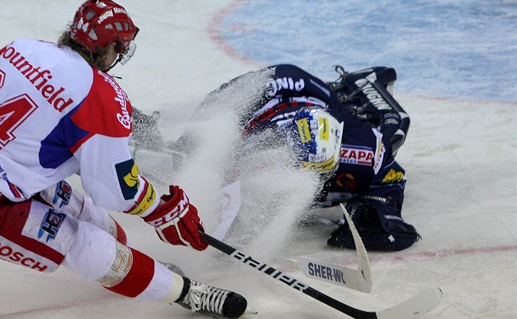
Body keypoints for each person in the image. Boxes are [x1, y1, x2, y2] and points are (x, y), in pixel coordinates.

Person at [0, 0, 247, 319]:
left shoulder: (22, 47)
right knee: (87, 244)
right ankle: (188, 294)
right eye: (120, 49)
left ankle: (140, 270)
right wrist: (163, 209)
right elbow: (117, 191)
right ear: (112, 49)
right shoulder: (99, 94)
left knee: (93, 219)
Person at [133, 64, 421, 252]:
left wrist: (375, 207)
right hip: (273, 88)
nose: (311, 180)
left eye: (320, 172)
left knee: (394, 128)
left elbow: (391, 176)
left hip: (316, 98)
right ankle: (134, 124)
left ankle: (346, 93)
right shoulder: (257, 152)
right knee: (187, 154)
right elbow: (220, 199)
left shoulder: (364, 151)